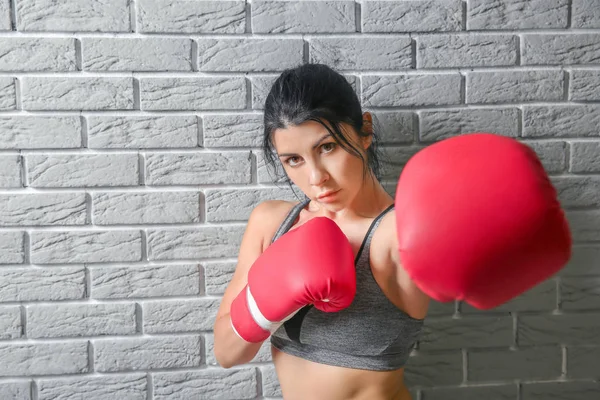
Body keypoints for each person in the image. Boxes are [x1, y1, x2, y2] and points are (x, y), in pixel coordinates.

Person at [212, 63, 571, 400]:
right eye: (294, 160)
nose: (315, 177)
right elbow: (228, 354)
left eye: (327, 147)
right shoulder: (272, 222)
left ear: (365, 131)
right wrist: (263, 306)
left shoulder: (399, 236)